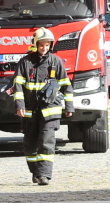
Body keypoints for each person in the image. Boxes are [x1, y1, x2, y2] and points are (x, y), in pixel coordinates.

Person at [14, 27, 71, 185]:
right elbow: (17, 86)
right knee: (30, 144)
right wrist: (19, 105)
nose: (44, 48)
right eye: (41, 45)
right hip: (30, 110)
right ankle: (35, 172)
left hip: (50, 110)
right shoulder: (25, 63)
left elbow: (66, 85)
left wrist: (69, 107)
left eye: (47, 45)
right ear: (35, 44)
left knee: (47, 141)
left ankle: (44, 175)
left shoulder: (56, 62)